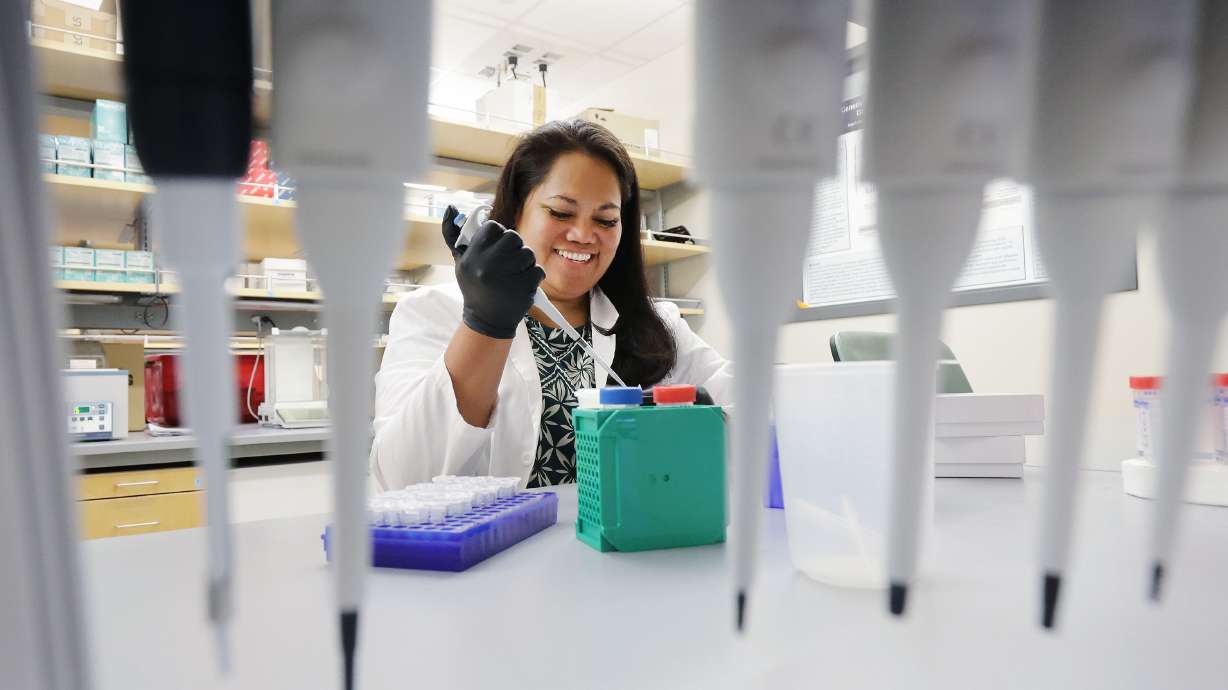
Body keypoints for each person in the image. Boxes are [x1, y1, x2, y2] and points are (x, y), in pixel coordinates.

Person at [370, 119, 731, 490]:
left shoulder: (657, 325)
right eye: (561, 213)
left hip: (628, 543)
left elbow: (746, 402)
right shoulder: (431, 312)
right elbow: (402, 479)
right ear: (515, 213)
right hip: (496, 549)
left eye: (606, 220)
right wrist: (485, 324)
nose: (583, 235)